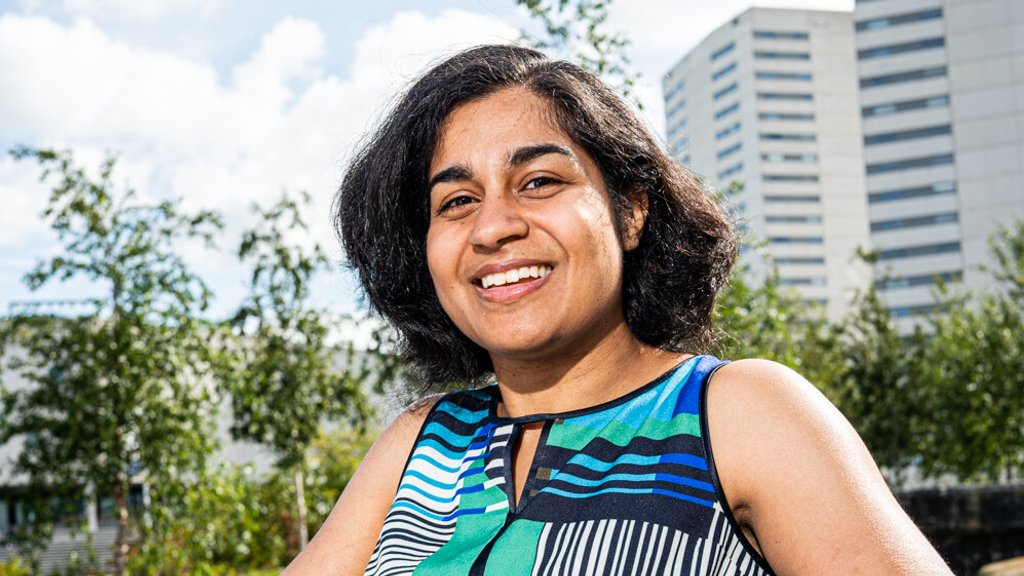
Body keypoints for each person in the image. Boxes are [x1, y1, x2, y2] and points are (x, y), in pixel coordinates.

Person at [283, 45, 952, 575]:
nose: (492, 228)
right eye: (457, 201)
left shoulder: (741, 413)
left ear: (629, 211)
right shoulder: (422, 442)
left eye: (538, 182)